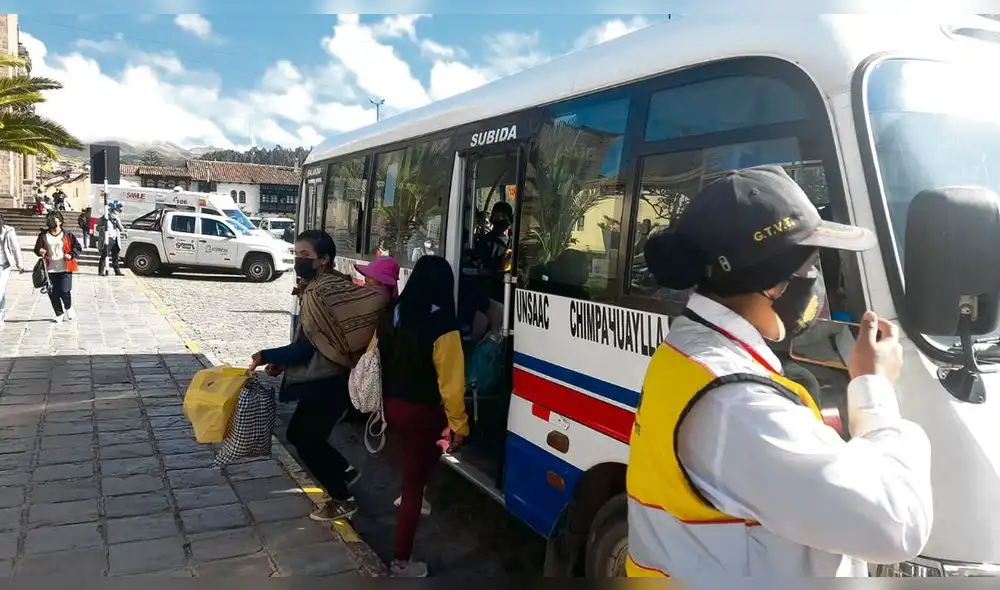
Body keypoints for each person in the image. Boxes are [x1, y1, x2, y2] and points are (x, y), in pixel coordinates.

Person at [626, 165, 932, 578]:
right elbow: (897, 523)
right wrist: (873, 389)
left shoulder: (688, 354)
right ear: (771, 284)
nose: (815, 283)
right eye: (808, 270)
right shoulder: (737, 405)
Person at [249, 230, 386, 521]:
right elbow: (312, 339)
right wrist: (282, 362)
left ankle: (342, 498)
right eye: (297, 254)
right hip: (322, 377)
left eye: (305, 256)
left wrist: (267, 355)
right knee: (298, 434)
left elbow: (307, 346)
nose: (299, 260)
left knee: (307, 439)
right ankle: (343, 471)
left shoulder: (322, 290)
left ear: (323, 260)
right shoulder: (316, 286)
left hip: (330, 380)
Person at [377, 255, 470, 578]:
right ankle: (401, 562)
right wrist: (459, 425)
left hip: (390, 405)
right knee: (414, 483)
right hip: (422, 412)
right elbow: (452, 385)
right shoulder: (443, 324)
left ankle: (414, 491)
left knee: (418, 461)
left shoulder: (395, 312)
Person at [33, 211, 83, 323]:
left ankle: (69, 307)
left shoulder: (68, 235)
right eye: (49, 220)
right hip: (49, 268)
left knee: (65, 290)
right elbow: (37, 249)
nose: (51, 222)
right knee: (53, 292)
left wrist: (71, 255)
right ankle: (58, 313)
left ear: (60, 222)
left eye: (54, 220)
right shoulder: (43, 235)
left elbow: (77, 247)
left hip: (65, 267)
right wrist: (40, 250)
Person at [0, 214, 25, 327]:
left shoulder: (8, 231)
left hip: (4, 264)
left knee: (0, 291)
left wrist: (19, 264)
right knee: (1, 292)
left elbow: (15, 247)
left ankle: (0, 315)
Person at [97, 202, 124, 276]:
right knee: (105, 255)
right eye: (118, 211)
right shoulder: (104, 217)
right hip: (107, 238)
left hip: (115, 238)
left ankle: (117, 271)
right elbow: (97, 227)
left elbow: (121, 229)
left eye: (119, 211)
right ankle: (101, 271)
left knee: (115, 256)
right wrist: (103, 228)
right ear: (113, 210)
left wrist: (118, 222)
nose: (119, 212)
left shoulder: (117, 219)